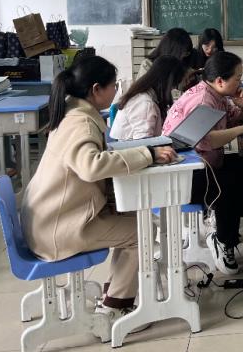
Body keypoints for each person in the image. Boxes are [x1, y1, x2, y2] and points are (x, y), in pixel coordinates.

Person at [21, 56, 177, 324]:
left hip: (51, 218)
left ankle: (114, 292)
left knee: (133, 223)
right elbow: (91, 166)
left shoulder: (73, 113)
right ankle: (116, 306)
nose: (116, 90)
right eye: (113, 85)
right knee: (141, 232)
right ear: (96, 89)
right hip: (57, 228)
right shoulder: (80, 123)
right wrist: (148, 154)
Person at [162, 51, 243, 275]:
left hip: (202, 165)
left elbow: (235, 120)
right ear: (220, 80)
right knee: (229, 184)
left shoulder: (218, 95)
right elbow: (208, 140)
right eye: (238, 78)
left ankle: (227, 230)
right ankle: (221, 237)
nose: (240, 82)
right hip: (184, 175)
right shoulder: (203, 100)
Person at [109, 55, 186, 140]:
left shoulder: (146, 94)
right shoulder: (145, 104)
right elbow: (144, 143)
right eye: (173, 85)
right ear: (167, 82)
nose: (172, 90)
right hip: (134, 147)